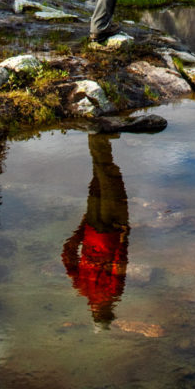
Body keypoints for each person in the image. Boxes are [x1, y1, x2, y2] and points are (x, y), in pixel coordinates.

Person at [61, 133, 130, 327]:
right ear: (94, 310)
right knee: (99, 179)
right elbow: (67, 255)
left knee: (107, 178)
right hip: (93, 229)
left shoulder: (110, 292)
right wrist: (80, 232)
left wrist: (123, 237)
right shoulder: (82, 289)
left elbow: (119, 264)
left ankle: (98, 135)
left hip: (111, 230)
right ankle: (97, 136)